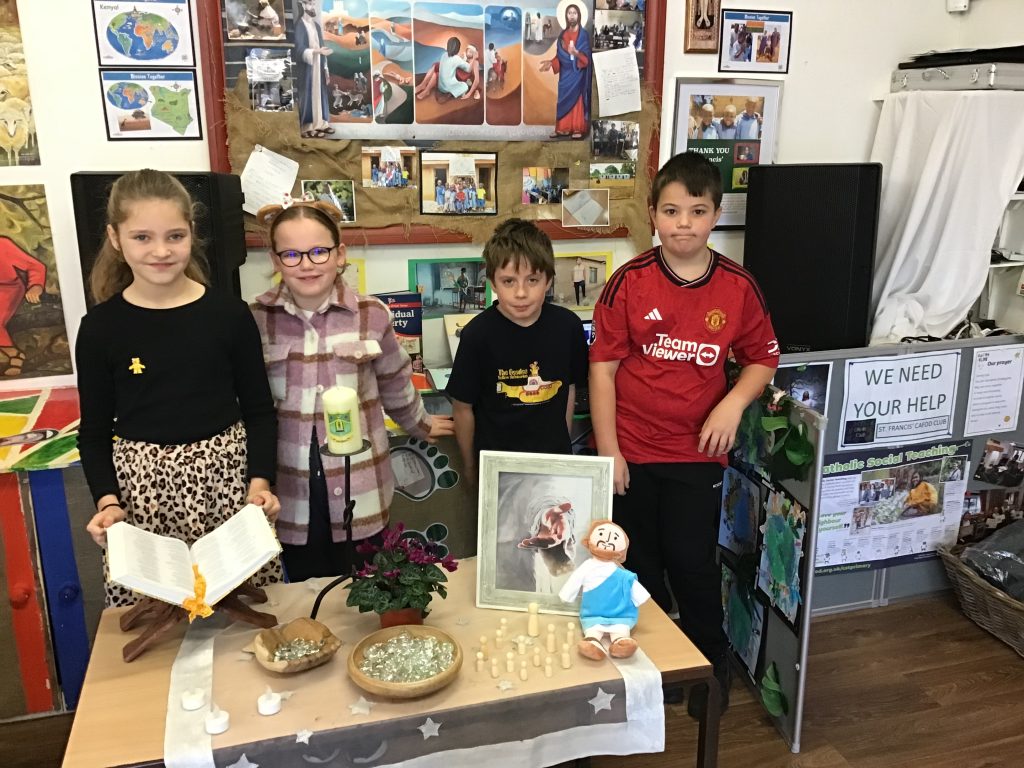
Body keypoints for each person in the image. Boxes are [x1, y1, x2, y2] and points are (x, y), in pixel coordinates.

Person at [588, 152, 780, 717]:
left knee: (692, 563)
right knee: (639, 565)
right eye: (671, 211)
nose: (683, 224)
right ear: (652, 214)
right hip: (632, 451)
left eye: (697, 211)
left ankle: (710, 669)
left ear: (716, 215)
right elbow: (602, 370)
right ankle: (655, 668)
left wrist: (733, 403)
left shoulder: (738, 287)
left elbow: (763, 357)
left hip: (696, 454)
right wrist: (609, 452)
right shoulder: (628, 282)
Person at [76, 170, 283, 607]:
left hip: (227, 487)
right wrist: (108, 503)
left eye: (175, 236)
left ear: (192, 233)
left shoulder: (229, 315)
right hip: (142, 495)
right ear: (115, 238)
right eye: (142, 237)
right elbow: (93, 432)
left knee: (238, 614)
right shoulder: (99, 329)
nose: (161, 251)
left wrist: (260, 485)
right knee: (155, 616)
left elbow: (259, 411)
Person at [251, 200, 453, 580]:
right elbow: (251, 405)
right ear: (276, 260)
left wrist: (420, 423)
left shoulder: (371, 314)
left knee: (364, 584)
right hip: (293, 490)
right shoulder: (256, 319)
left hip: (361, 485)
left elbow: (395, 380)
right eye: (291, 254)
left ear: (339, 254)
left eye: (319, 251)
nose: (306, 264)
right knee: (305, 588)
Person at [446, 219, 588, 483]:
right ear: (492, 282)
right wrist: (470, 467)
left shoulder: (568, 326)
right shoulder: (477, 335)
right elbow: (462, 408)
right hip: (498, 469)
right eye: (509, 281)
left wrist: (563, 446)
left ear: (548, 280)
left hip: (552, 464)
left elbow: (568, 387)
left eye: (532, 280)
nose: (521, 293)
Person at [539, 3, 591, 140]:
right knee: (563, 100)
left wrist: (576, 53)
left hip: (577, 74)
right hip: (565, 74)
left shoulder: (583, 35)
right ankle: (563, 128)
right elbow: (560, 56)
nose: (572, 16)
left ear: (579, 15)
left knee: (577, 100)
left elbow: (586, 60)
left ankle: (577, 128)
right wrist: (551, 63)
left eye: (574, 13)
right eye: (569, 13)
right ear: (566, 16)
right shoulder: (563, 35)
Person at [0, 236, 45, 376]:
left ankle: (15, 355)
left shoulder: (2, 245)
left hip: (9, 288)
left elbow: (36, 266)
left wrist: (36, 285)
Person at [295, 0, 334, 138]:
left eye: (313, 4)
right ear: (303, 5)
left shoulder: (316, 26)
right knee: (308, 95)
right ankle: (307, 126)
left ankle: (321, 124)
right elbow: (299, 50)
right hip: (308, 67)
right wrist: (317, 51)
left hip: (318, 65)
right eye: (310, 4)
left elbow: (321, 46)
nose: (312, 7)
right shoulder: (300, 25)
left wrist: (325, 67)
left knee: (319, 94)